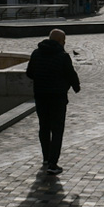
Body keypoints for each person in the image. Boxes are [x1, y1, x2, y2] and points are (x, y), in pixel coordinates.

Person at [26, 29, 81, 175]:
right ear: (59, 41)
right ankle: (52, 163)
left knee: (44, 127)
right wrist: (76, 87)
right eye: (64, 41)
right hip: (57, 97)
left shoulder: (36, 53)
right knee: (57, 130)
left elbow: (29, 73)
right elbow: (71, 75)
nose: (64, 43)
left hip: (40, 95)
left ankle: (46, 157)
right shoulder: (63, 56)